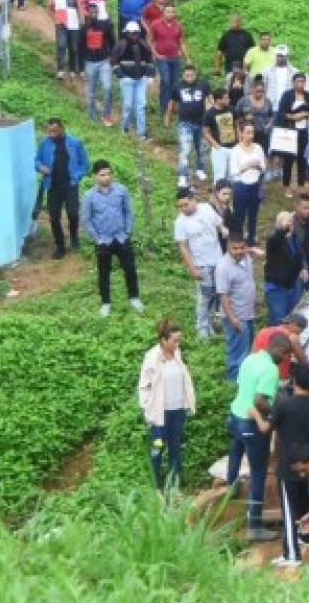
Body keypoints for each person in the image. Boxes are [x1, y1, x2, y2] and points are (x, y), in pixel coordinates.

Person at [250, 365, 309, 568]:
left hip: (288, 465)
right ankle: (307, 537)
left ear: (294, 381)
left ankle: (291, 554)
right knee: (304, 503)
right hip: (308, 463)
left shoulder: (284, 406)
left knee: (289, 509)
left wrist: (255, 414)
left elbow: (266, 429)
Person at [226, 333, 292, 542]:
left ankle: (231, 488)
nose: (284, 359)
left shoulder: (250, 358)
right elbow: (259, 400)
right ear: (278, 350)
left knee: (235, 451)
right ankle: (254, 525)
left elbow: (245, 387)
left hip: (235, 416)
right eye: (285, 354)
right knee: (258, 473)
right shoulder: (270, 369)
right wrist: (275, 413)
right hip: (252, 424)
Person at [139, 319, 197, 491]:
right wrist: (147, 408)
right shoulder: (152, 358)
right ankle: (157, 487)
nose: (178, 343)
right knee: (157, 448)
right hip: (159, 415)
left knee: (175, 449)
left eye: (179, 340)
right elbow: (144, 386)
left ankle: (174, 487)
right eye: (175, 340)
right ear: (164, 340)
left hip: (177, 412)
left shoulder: (177, 353)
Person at [81, 159, 143, 316]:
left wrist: (127, 230)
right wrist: (97, 238)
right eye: (102, 175)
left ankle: (134, 297)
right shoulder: (89, 196)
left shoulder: (121, 190)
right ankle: (106, 302)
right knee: (103, 272)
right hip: (103, 240)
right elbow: (87, 219)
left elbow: (128, 211)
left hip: (121, 237)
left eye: (108, 174)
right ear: (95, 176)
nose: (106, 178)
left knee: (130, 269)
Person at [174, 188, 226, 337]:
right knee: (204, 297)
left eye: (186, 204)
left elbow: (218, 223)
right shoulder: (180, 222)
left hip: (218, 260)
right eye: (180, 206)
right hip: (201, 264)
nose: (183, 208)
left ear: (193, 200)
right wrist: (192, 268)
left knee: (217, 294)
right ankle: (201, 328)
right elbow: (183, 247)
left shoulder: (206, 208)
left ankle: (210, 325)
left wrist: (223, 229)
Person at [34, 118, 88, 259]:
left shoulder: (75, 143)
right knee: (54, 217)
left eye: (54, 131)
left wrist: (77, 176)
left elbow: (84, 163)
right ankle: (60, 246)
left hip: (70, 184)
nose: (51, 134)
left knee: (73, 213)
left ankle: (74, 235)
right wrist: (40, 167)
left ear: (62, 129)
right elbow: (37, 160)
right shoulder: (44, 144)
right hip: (52, 186)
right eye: (49, 131)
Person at [163, 63, 211, 187]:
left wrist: (210, 120)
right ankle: (183, 176)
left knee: (201, 149)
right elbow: (171, 103)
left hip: (201, 122)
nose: (189, 77)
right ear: (183, 75)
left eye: (192, 75)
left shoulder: (203, 85)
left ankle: (199, 169)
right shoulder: (177, 86)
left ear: (195, 74)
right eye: (187, 75)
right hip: (185, 123)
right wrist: (167, 119)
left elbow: (209, 100)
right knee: (185, 151)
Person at [216, 237, 257, 381]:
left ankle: (244, 379)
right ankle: (233, 382)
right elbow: (223, 295)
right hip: (236, 316)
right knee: (236, 351)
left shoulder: (246, 259)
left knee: (248, 348)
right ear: (228, 248)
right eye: (235, 248)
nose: (239, 251)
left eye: (242, 247)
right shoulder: (223, 267)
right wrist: (233, 318)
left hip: (249, 313)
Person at [112, 21, 156, 141]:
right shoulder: (120, 45)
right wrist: (121, 76)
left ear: (138, 33)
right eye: (131, 33)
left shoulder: (144, 45)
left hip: (141, 79)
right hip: (127, 80)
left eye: (135, 33)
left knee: (141, 105)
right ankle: (124, 129)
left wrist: (150, 76)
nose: (133, 35)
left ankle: (141, 133)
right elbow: (114, 63)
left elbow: (150, 61)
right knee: (127, 105)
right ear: (126, 33)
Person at [228, 121, 266, 244]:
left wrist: (258, 167)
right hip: (241, 185)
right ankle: (237, 239)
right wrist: (247, 166)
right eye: (248, 132)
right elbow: (233, 172)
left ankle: (251, 239)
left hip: (255, 184)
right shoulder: (235, 150)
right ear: (241, 133)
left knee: (253, 214)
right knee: (239, 214)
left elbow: (263, 167)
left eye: (252, 132)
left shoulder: (258, 148)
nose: (251, 135)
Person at [264, 212, 303, 326]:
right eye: (287, 222)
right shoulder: (274, 240)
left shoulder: (295, 238)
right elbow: (274, 237)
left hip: (292, 286)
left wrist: (303, 268)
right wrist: (283, 229)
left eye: (291, 222)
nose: (290, 225)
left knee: (291, 320)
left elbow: (299, 255)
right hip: (277, 288)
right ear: (279, 225)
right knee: (278, 320)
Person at [150, 4, 188, 115]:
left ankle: (172, 107)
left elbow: (181, 41)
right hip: (162, 58)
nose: (170, 14)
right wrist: (155, 54)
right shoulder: (156, 24)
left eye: (172, 12)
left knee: (174, 82)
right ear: (163, 13)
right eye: (168, 12)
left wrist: (187, 57)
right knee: (165, 81)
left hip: (175, 57)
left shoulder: (178, 25)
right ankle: (163, 107)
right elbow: (149, 40)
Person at [252, 312, 309, 384]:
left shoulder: (263, 331)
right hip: (275, 378)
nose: (300, 334)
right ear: (293, 324)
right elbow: (303, 360)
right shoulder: (291, 337)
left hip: (255, 374)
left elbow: (253, 353)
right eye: (301, 330)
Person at [276, 73, 309, 191]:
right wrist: (294, 117)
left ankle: (301, 182)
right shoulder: (287, 95)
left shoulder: (308, 95)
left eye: (303, 81)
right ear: (293, 82)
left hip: (304, 131)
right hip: (291, 130)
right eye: (298, 81)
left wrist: (304, 114)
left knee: (302, 157)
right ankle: (287, 184)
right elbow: (282, 112)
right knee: (289, 158)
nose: (300, 84)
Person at [81, 3, 115, 122]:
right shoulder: (84, 28)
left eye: (95, 12)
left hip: (104, 62)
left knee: (107, 88)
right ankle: (92, 116)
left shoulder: (105, 26)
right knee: (91, 92)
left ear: (98, 13)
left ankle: (106, 115)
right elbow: (80, 47)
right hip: (89, 63)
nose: (93, 14)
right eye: (91, 12)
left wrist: (111, 57)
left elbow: (112, 41)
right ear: (88, 14)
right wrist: (82, 67)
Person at [47, 0, 82, 79]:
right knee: (61, 45)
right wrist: (55, 19)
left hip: (74, 24)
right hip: (61, 23)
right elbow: (50, 7)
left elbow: (80, 8)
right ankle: (60, 70)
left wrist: (81, 21)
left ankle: (72, 69)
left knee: (74, 48)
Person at [203, 88, 238, 186]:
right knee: (219, 176)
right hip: (219, 149)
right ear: (218, 100)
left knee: (233, 175)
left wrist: (239, 142)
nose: (228, 100)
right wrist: (216, 146)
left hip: (234, 147)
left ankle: (230, 197)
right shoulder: (209, 114)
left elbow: (237, 125)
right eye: (226, 98)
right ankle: (217, 198)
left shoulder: (232, 109)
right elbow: (205, 132)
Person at [234, 78, 273, 154]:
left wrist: (268, 125)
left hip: (263, 135)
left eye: (262, 91)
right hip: (247, 135)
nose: (260, 94)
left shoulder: (267, 101)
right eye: (257, 91)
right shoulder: (243, 101)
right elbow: (237, 118)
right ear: (252, 89)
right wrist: (239, 136)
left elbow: (271, 116)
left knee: (262, 155)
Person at [264, 45, 297, 111]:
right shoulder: (267, 71)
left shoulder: (294, 72)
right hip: (271, 106)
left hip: (288, 107)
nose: (280, 57)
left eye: (282, 55)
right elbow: (264, 87)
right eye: (278, 55)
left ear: (287, 56)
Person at [209, 180, 236, 253]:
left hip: (229, 241)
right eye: (224, 194)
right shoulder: (211, 208)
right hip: (216, 244)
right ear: (217, 193)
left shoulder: (230, 206)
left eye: (229, 194)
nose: (227, 197)